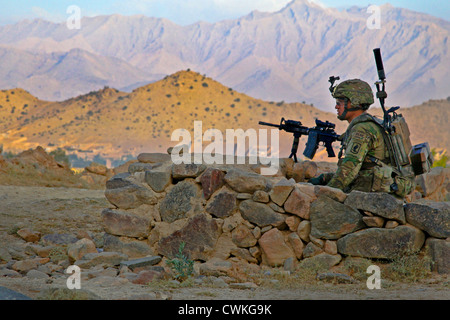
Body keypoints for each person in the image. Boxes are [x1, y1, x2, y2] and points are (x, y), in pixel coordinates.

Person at [309, 79, 396, 194]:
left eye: (339, 103)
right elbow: (361, 170)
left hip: (372, 197)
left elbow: (348, 170)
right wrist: (325, 178)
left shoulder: (362, 130)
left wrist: (324, 193)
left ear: (354, 103)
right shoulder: (370, 124)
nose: (336, 107)